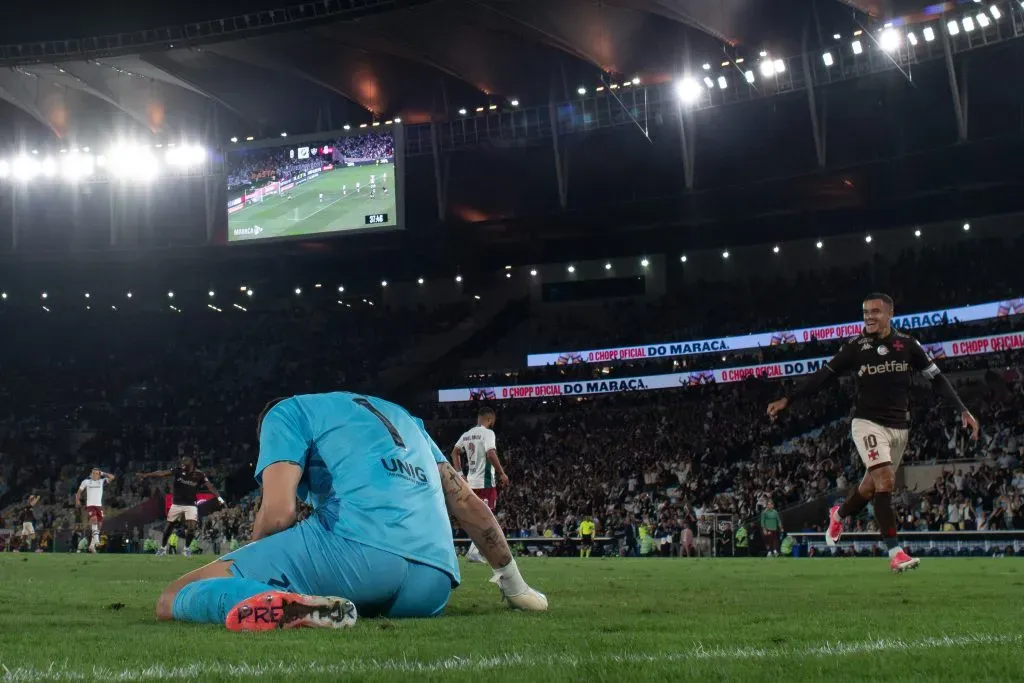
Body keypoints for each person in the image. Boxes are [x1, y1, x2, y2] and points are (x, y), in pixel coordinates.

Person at [154, 393, 546, 632]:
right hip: (433, 584)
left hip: (361, 554)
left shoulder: (284, 414)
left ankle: (285, 603)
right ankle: (324, 605)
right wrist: (516, 587)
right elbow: (465, 502)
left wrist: (254, 561)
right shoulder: (403, 416)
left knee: (174, 596)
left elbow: (279, 513)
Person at [767, 293, 979, 573]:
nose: (869, 316)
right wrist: (789, 399)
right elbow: (823, 376)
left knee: (869, 487)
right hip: (867, 423)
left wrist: (962, 409)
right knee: (886, 479)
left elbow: (937, 379)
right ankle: (895, 552)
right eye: (865, 311)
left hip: (899, 428)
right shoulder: (855, 347)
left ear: (890, 314)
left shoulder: (908, 345)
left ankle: (839, 513)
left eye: (875, 311)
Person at [452, 407, 509, 563]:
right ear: (489, 419)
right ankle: (473, 552)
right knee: (486, 518)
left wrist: (460, 474)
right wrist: (502, 473)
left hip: (470, 482)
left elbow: (454, 452)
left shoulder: (467, 434)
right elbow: (491, 453)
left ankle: (475, 550)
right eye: (493, 421)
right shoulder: (488, 433)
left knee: (480, 517)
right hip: (485, 483)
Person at [139, 455, 224, 558]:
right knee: (168, 527)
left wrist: (219, 498)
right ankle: (162, 548)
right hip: (177, 504)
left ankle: (186, 549)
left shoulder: (199, 474)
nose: (182, 466)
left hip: (191, 504)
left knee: (192, 527)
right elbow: (162, 473)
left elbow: (210, 487)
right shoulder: (178, 470)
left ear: (191, 464)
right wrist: (147, 475)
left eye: (185, 464)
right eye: (182, 464)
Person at [76, 468, 115, 553]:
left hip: (99, 506)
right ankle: (97, 541)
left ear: (99, 474)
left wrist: (102, 473)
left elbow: (112, 477)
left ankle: (91, 546)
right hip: (90, 505)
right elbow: (79, 491)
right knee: (94, 520)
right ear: (91, 474)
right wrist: (77, 500)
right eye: (93, 473)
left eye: (97, 473)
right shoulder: (86, 481)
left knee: (99, 526)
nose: (95, 475)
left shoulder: (101, 481)